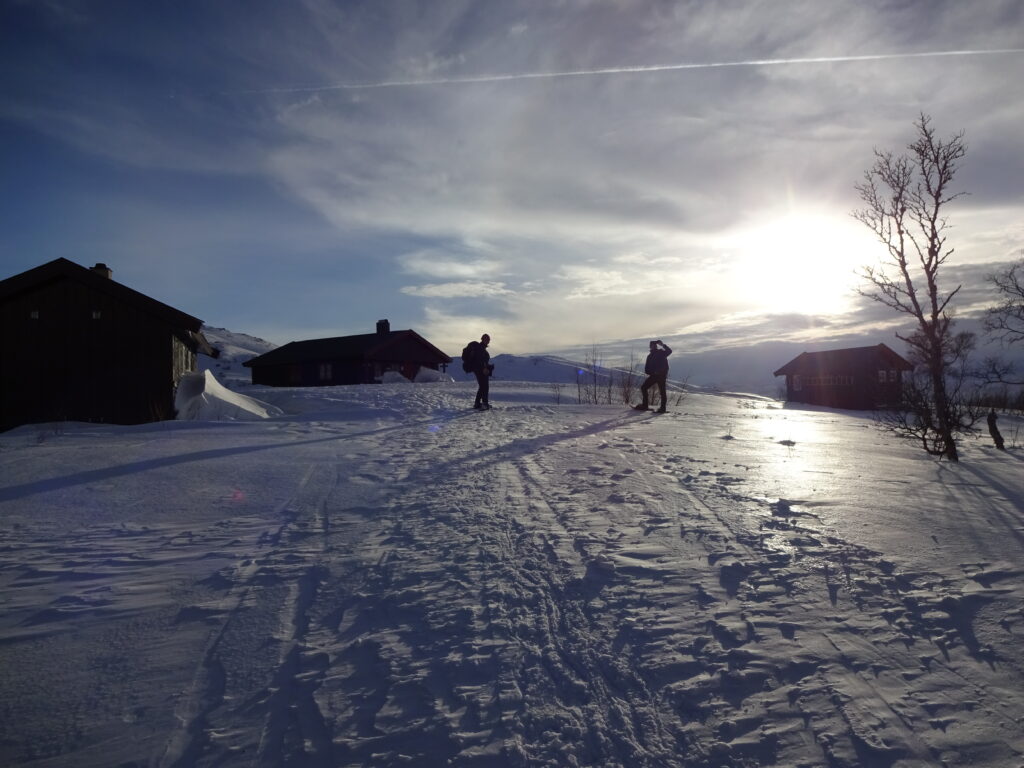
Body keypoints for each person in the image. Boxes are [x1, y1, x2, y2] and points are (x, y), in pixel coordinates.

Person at [635, 339, 672, 413]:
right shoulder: (649, 356)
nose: (653, 346)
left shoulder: (661, 352)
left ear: (656, 346)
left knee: (662, 392)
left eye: (654, 345)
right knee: (644, 387)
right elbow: (646, 369)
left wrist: (662, 345)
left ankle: (662, 408)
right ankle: (645, 405)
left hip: (661, 376)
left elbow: (669, 351)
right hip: (654, 376)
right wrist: (653, 372)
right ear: (650, 347)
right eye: (652, 345)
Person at [470, 333, 493, 410]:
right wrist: (484, 368)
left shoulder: (481, 348)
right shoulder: (481, 348)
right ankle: (484, 404)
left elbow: (482, 360)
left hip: (479, 370)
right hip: (481, 371)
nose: (488, 341)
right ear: (483, 339)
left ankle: (477, 403)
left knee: (482, 386)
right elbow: (480, 360)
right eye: (487, 339)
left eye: (488, 340)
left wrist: (488, 366)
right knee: (485, 386)